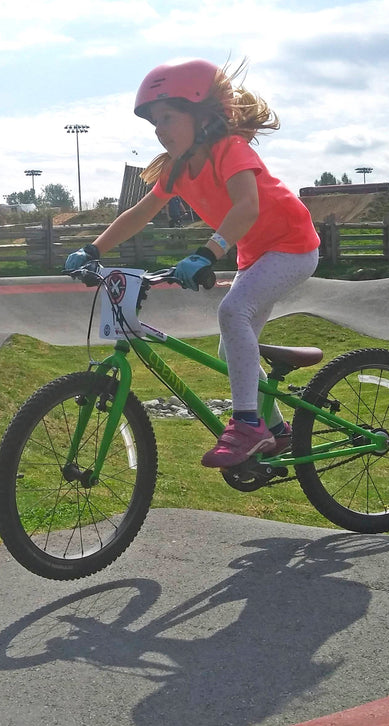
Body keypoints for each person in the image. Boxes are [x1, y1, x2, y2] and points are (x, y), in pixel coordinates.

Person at [64, 58, 321, 469]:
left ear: (202, 116)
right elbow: (139, 213)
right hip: (255, 254)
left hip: (292, 246)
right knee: (229, 341)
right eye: (153, 123)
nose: (159, 129)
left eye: (168, 117)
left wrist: (207, 253)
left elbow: (247, 207)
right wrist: (93, 250)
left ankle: (247, 424)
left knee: (233, 311)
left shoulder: (229, 150)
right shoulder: (178, 169)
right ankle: (276, 433)